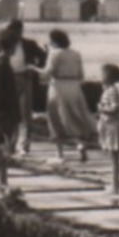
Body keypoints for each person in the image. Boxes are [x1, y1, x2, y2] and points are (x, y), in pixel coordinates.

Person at [44, 28, 98, 162]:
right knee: (75, 117)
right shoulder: (75, 54)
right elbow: (81, 75)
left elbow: (47, 72)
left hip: (58, 86)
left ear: (54, 41)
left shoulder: (54, 54)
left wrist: (34, 68)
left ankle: (59, 154)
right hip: (74, 87)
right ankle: (80, 144)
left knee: (56, 118)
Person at [3, 19, 46, 155]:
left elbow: (43, 57)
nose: (13, 33)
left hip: (25, 78)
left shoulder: (29, 44)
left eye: (16, 30)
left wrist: (33, 67)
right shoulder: (3, 45)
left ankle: (24, 146)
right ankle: (10, 144)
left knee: (25, 114)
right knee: (10, 114)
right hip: (8, 80)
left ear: (20, 31)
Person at [0, 33, 20, 193]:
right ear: (11, 47)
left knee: (3, 147)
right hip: (3, 112)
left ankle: (2, 181)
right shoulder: (1, 65)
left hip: (2, 111)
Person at [97, 63, 119, 196]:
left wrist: (102, 109)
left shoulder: (112, 91)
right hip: (110, 125)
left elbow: (116, 108)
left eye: (102, 74)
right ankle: (114, 185)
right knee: (114, 158)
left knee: (114, 159)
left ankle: (115, 187)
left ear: (108, 77)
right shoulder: (109, 89)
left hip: (113, 127)